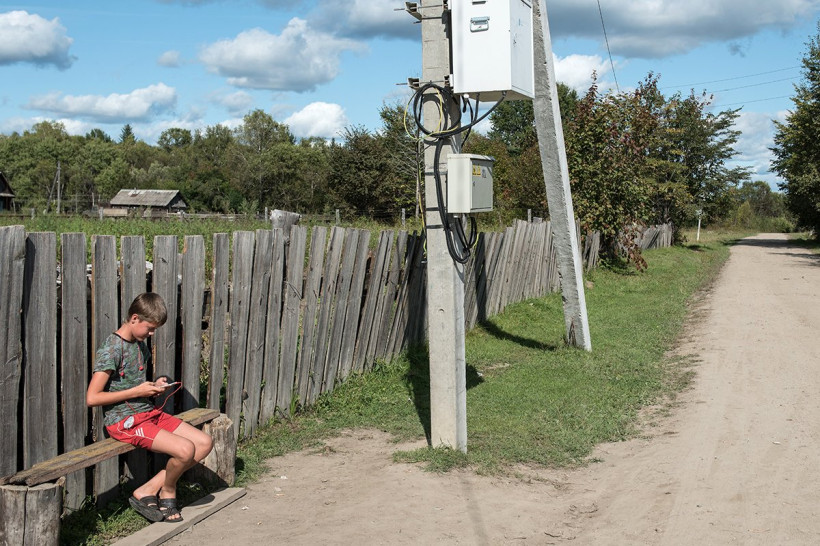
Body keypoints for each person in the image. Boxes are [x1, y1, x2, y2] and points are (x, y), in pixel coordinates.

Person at [86, 292, 213, 523]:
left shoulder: (139, 346)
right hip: (123, 422)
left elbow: (133, 384)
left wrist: (155, 386)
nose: (152, 334)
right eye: (150, 328)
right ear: (135, 318)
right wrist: (138, 392)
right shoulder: (111, 349)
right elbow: (92, 398)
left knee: (204, 443)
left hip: (147, 413)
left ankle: (148, 489)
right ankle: (168, 490)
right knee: (185, 450)